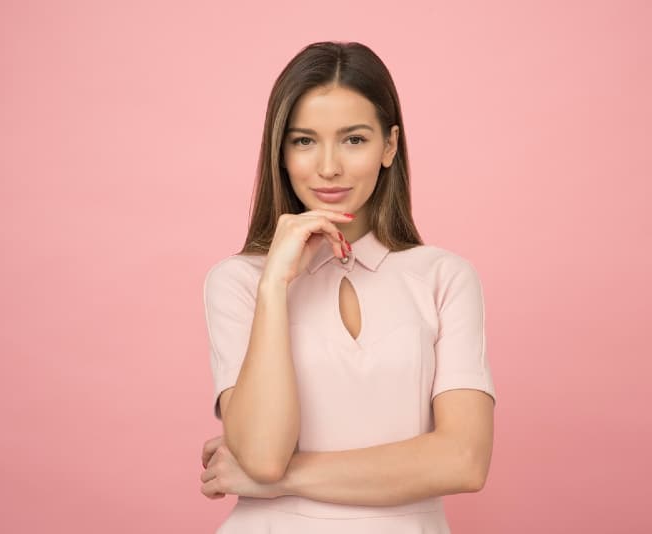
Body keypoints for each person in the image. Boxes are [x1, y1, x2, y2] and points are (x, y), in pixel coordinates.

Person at [198, 40, 497, 533]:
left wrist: (279, 481)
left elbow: (463, 460)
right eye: (304, 140)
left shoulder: (444, 277)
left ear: (390, 146)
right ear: (280, 151)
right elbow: (263, 455)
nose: (329, 166)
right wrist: (275, 283)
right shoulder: (239, 282)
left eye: (354, 139)